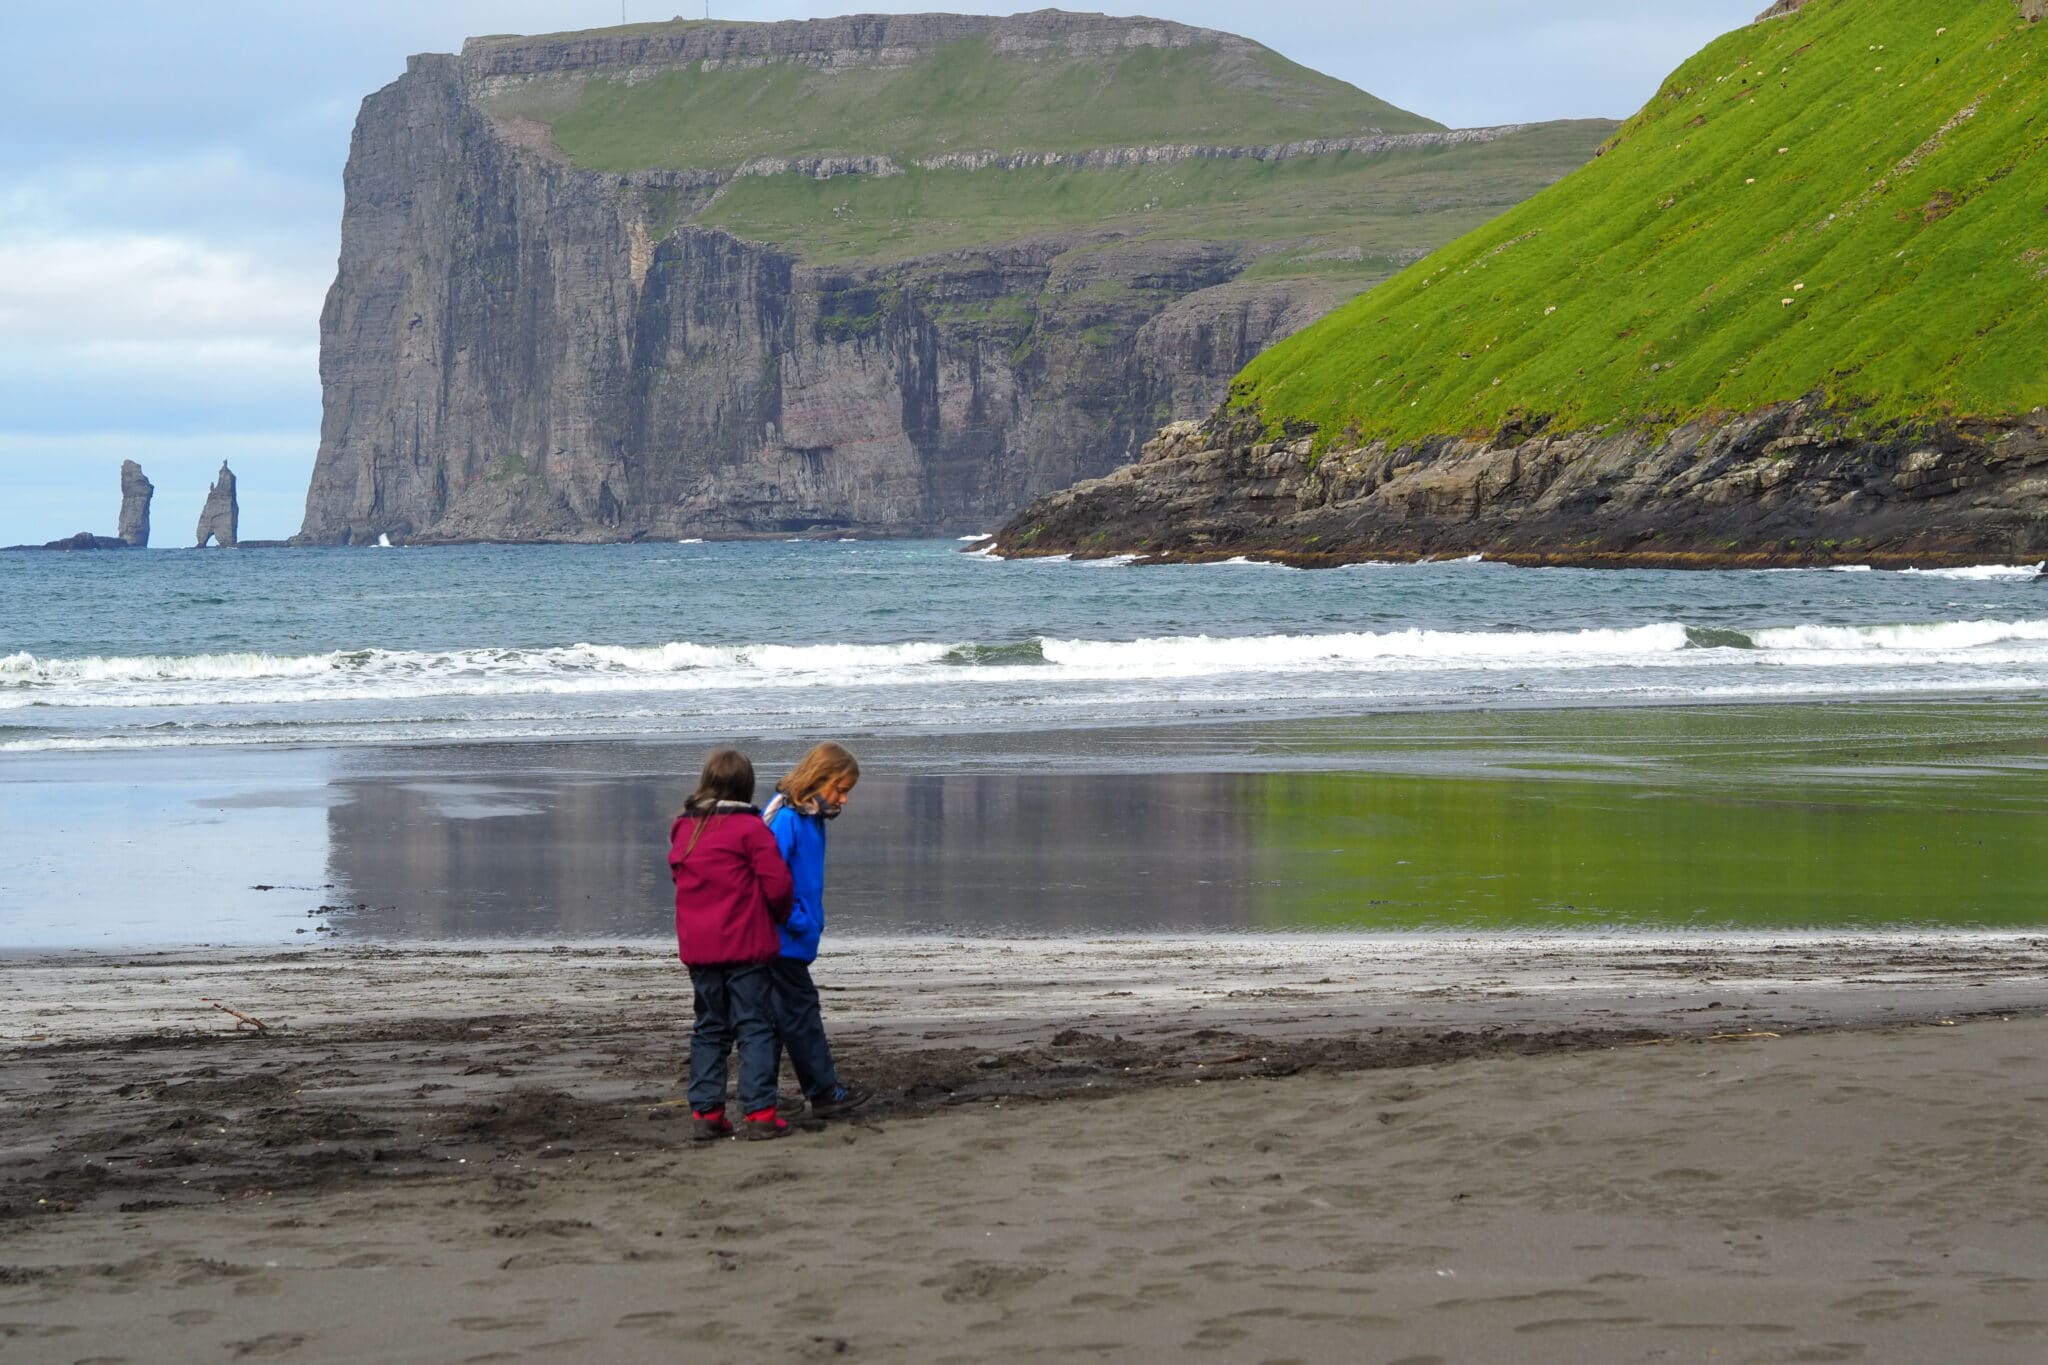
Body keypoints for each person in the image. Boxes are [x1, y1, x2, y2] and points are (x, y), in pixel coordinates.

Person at [670, 746, 795, 1141]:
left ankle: (706, 1112)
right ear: (746, 784)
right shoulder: (750, 828)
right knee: (755, 1026)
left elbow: (681, 877)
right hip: (744, 945)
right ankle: (759, 1113)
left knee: (709, 1026)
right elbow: (778, 885)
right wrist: (776, 916)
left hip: (700, 947)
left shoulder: (685, 827)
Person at [762, 742, 872, 1118]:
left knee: (775, 1020)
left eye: (847, 792)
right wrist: (798, 920)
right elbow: (767, 880)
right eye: (840, 789)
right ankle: (825, 1092)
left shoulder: (810, 817)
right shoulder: (786, 817)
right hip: (780, 938)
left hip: (792, 936)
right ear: (817, 778)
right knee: (800, 1013)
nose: (844, 799)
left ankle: (763, 1095)